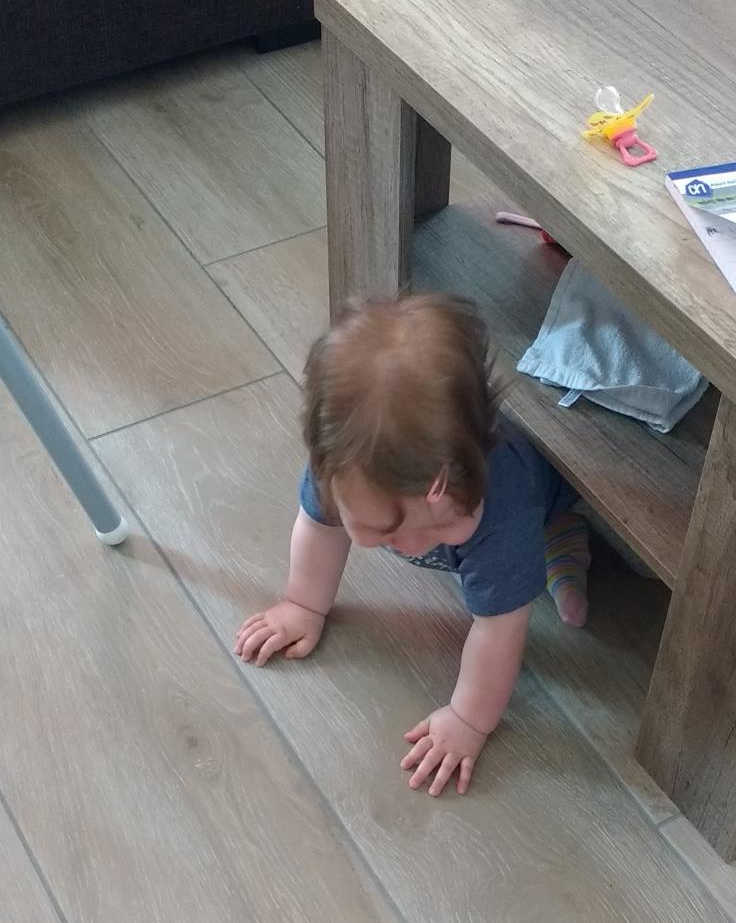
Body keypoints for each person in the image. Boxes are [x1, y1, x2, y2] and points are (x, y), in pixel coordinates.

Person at [234, 294, 590, 797]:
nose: (412, 544)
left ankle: (563, 536)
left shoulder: (503, 514)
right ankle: (561, 549)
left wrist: (468, 718)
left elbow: (500, 629)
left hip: (545, 501)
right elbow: (320, 527)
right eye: (380, 530)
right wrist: (303, 603)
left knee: (517, 573)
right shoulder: (341, 473)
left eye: (442, 523)